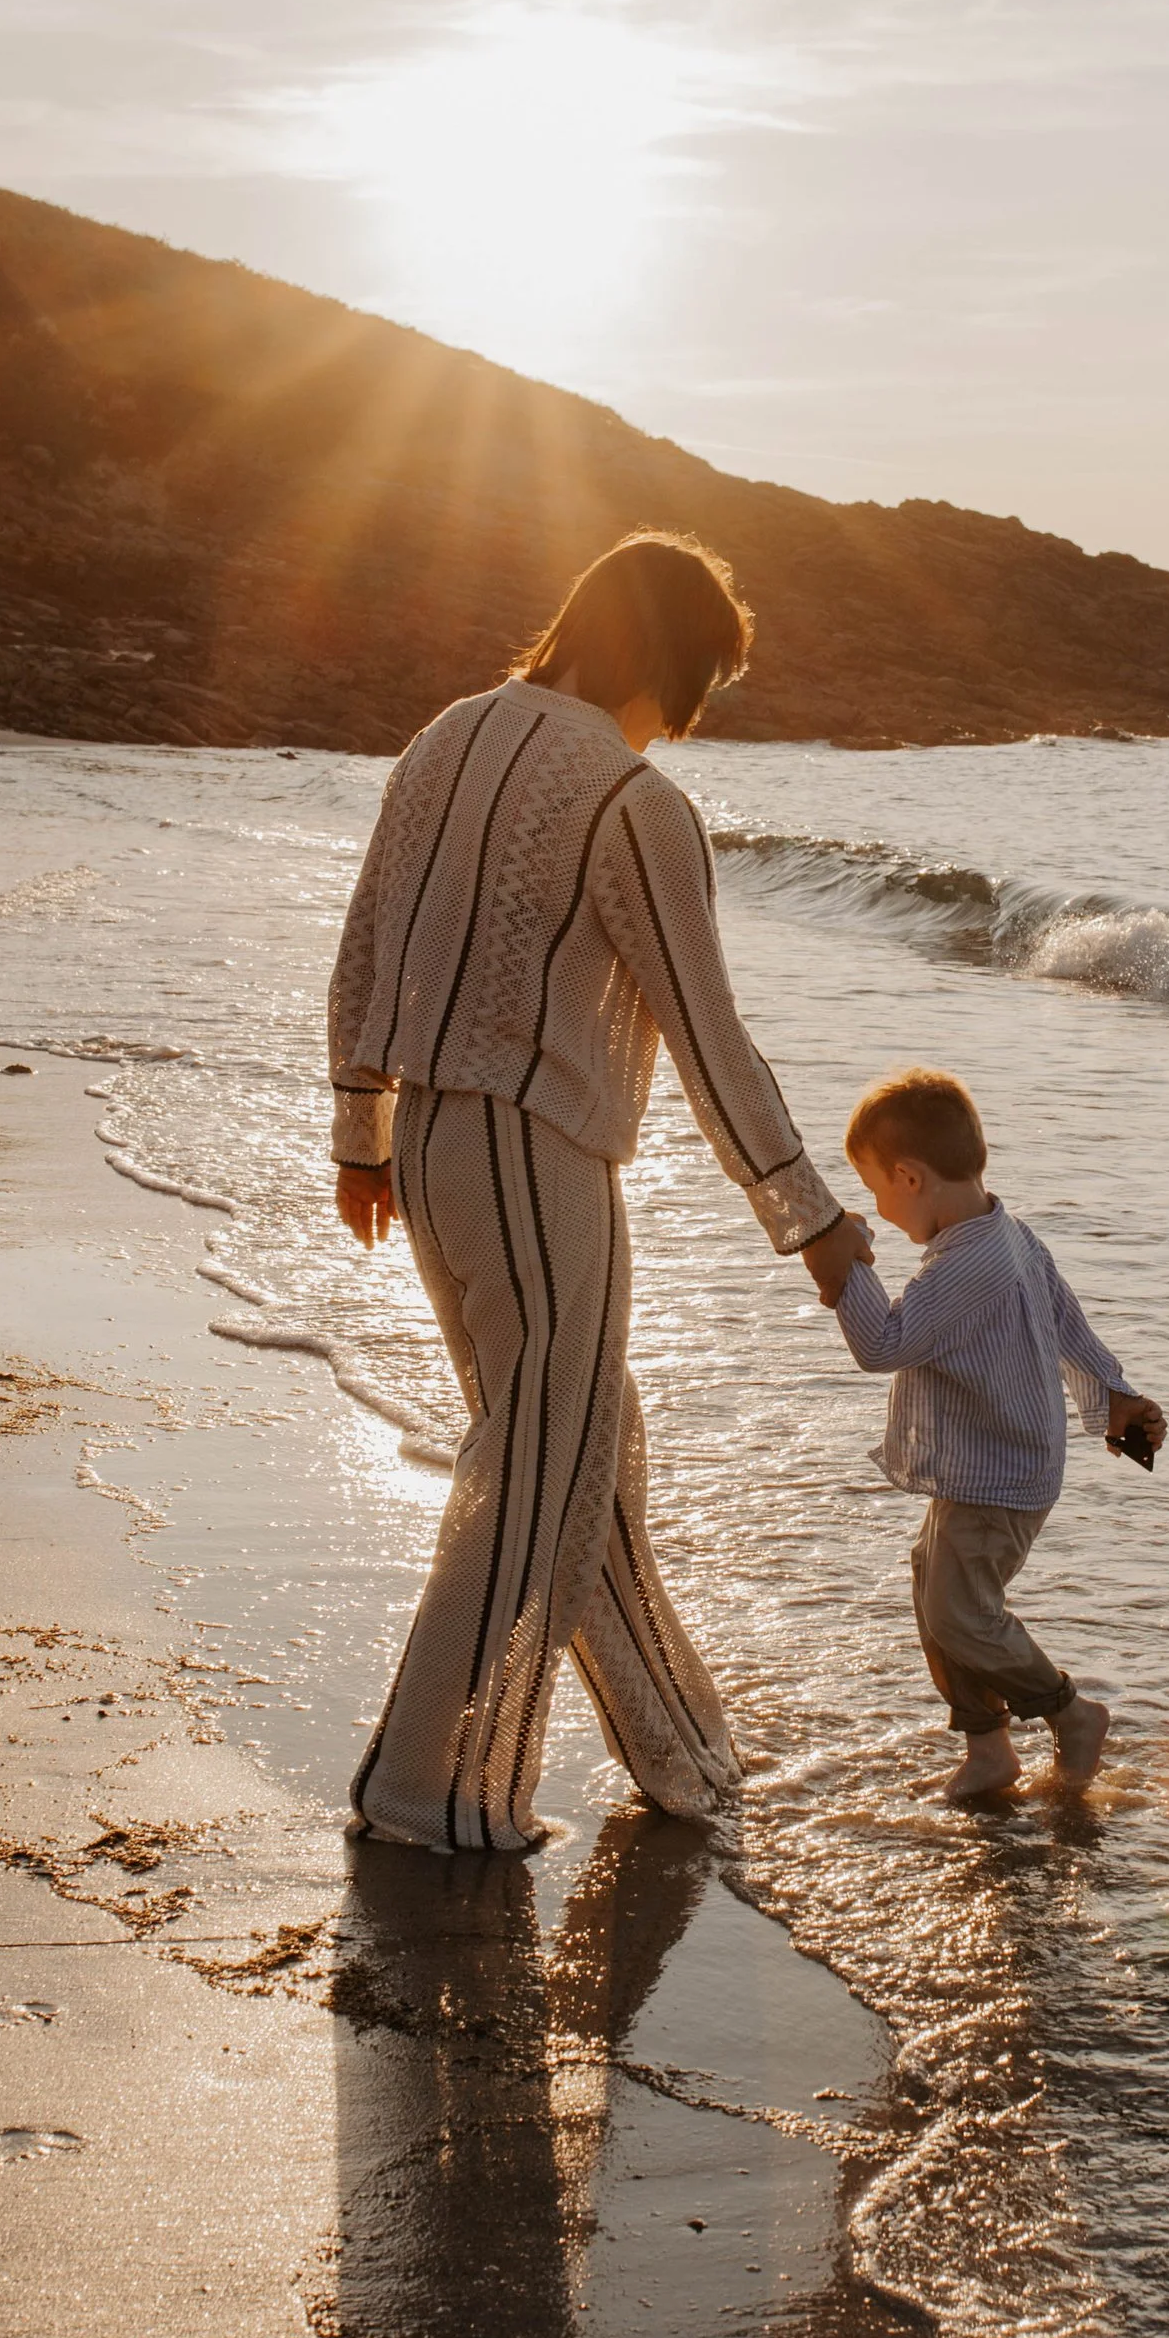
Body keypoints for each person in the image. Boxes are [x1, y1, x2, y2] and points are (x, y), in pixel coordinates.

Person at [327, 533, 866, 1853]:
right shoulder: (635, 803)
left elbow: (367, 931)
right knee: (542, 1468)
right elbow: (707, 1034)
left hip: (435, 1152)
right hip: (539, 1153)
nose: (696, 715)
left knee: (583, 1451)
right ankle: (432, 1785)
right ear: (675, 661)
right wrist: (808, 1211)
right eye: (709, 682)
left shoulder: (446, 735)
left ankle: (680, 1749)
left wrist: (361, 1128)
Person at [831, 1066, 1165, 1803]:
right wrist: (1115, 1395)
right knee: (936, 1593)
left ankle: (1072, 1715)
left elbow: (882, 1346)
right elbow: (1067, 1319)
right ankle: (988, 1752)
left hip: (1001, 1474)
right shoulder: (1006, 1232)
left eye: (877, 1192)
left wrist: (843, 1268)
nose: (879, 1214)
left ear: (910, 1177)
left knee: (960, 1611)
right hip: (988, 1462)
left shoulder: (968, 1264)